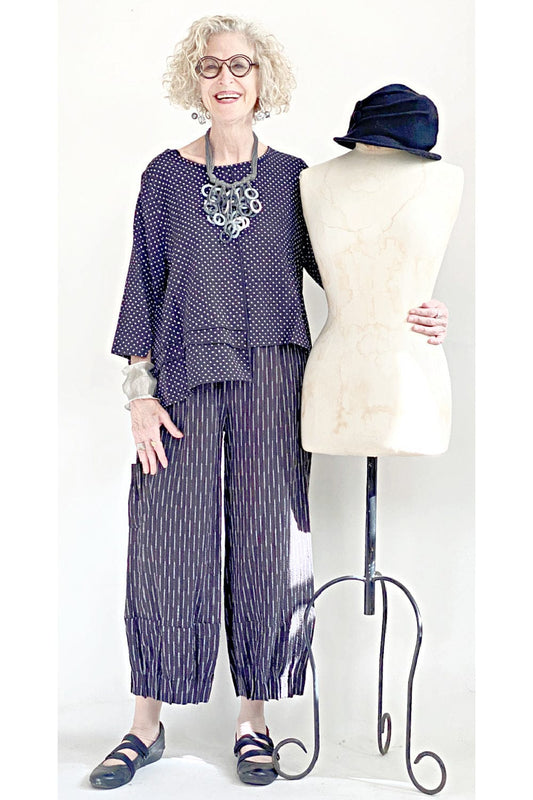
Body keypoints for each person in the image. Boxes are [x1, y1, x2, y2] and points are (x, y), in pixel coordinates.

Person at [89, 14, 449, 790]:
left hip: (275, 384)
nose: (226, 79)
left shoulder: (295, 181)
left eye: (241, 67)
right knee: (163, 552)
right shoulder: (163, 179)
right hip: (182, 385)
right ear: (194, 80)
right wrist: (138, 397)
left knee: (268, 550)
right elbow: (141, 288)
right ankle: (144, 726)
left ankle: (254, 723)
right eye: (212, 67)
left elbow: (354, 272)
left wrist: (420, 312)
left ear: (263, 81)